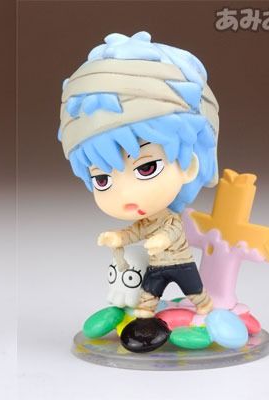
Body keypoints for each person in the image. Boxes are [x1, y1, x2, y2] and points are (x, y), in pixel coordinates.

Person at [58, 31, 220, 351]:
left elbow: (170, 231)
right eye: (102, 180)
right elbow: (136, 232)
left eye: (146, 168)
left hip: (180, 264)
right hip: (157, 267)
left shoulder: (169, 220)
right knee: (148, 295)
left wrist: (159, 241)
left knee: (196, 292)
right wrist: (118, 237)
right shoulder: (146, 221)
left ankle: (207, 314)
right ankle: (144, 321)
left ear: (189, 165)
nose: (126, 196)